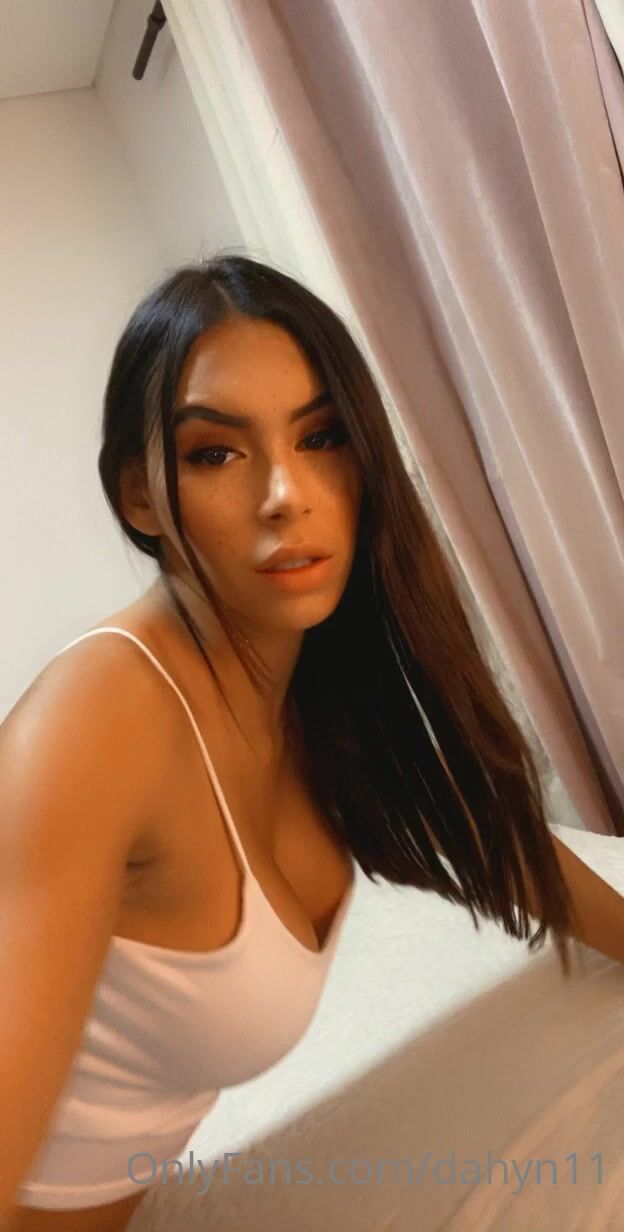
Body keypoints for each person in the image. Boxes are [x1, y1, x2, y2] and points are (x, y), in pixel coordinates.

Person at [3, 254, 624, 1232]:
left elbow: (500, 844)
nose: (286, 491)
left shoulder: (319, 703)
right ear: (140, 495)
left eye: (322, 435)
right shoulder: (97, 721)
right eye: (216, 452)